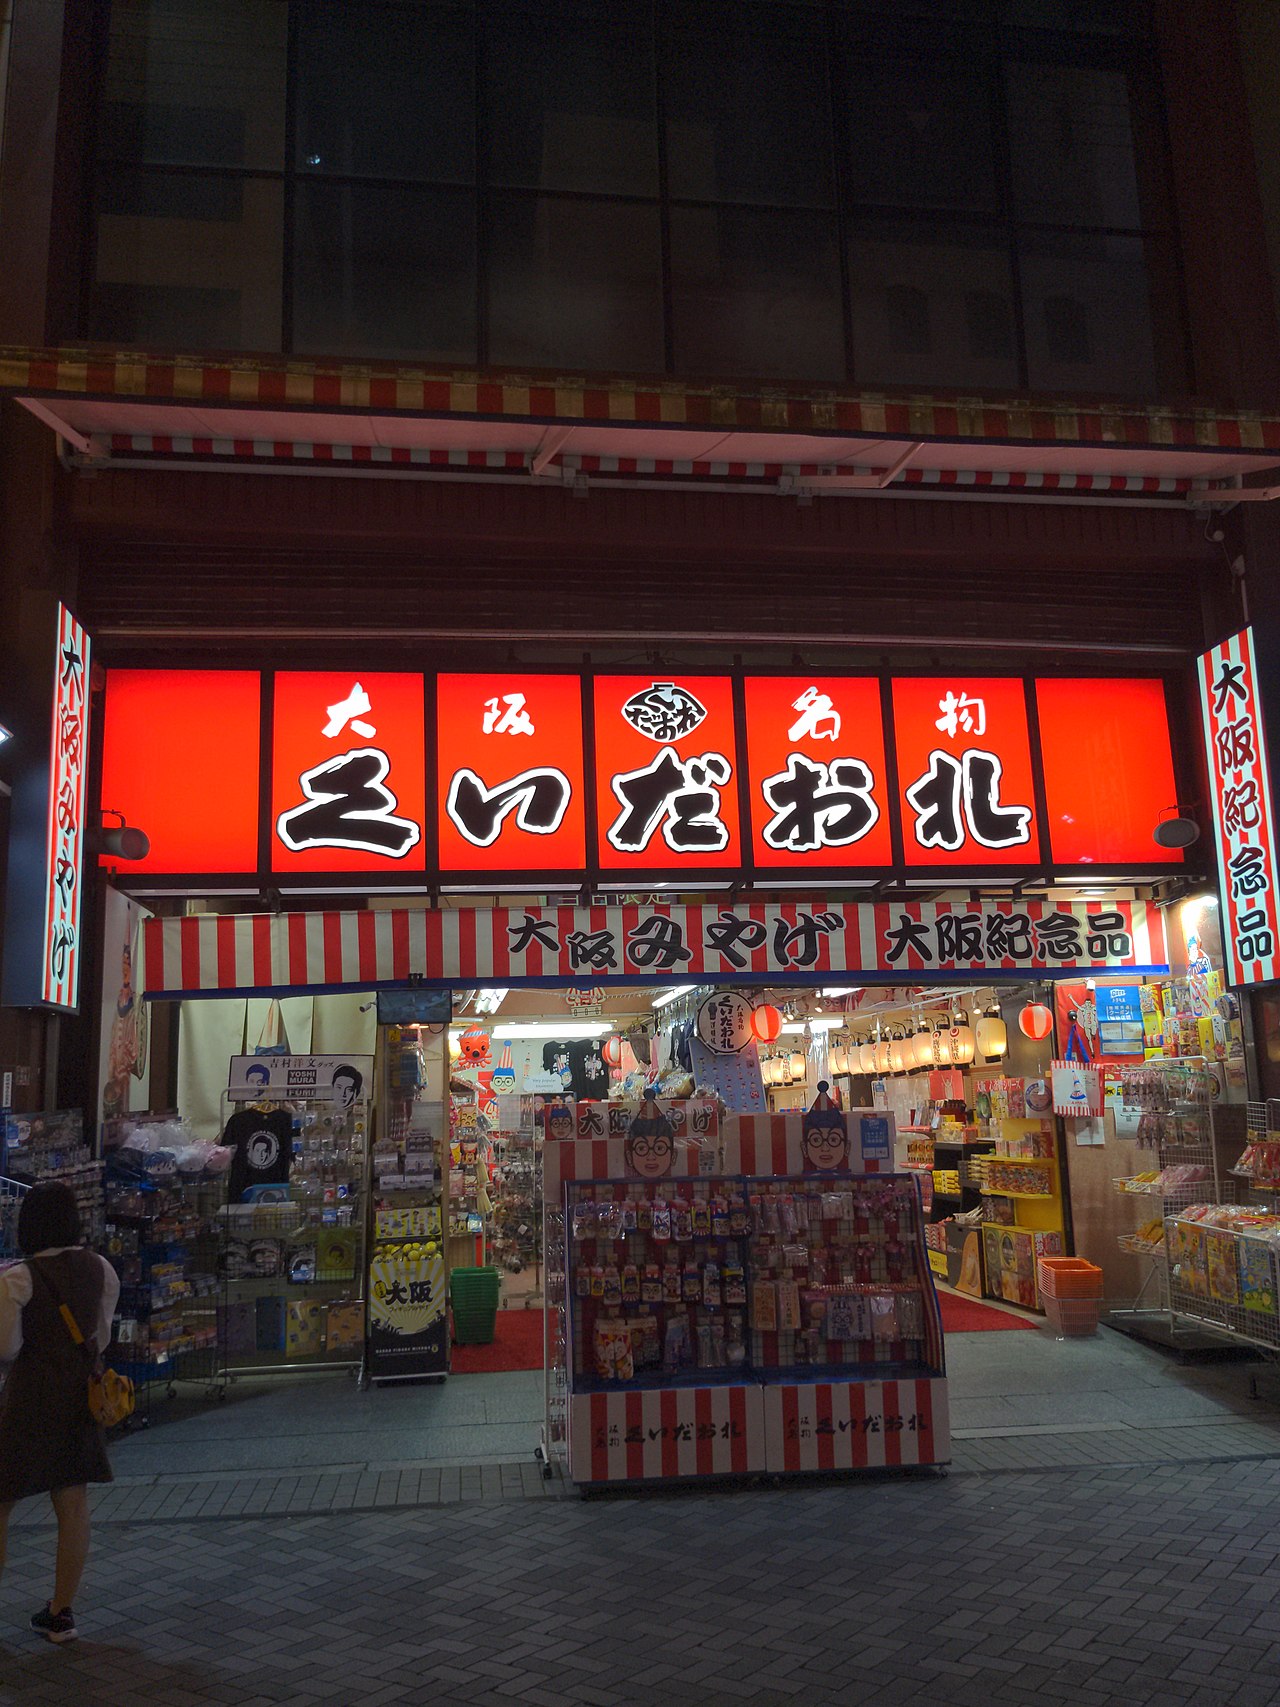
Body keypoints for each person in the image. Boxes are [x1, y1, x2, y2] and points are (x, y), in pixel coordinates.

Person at [0, 1182, 120, 1643]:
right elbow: (101, 1337)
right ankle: (61, 1613)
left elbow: (8, 1347)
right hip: (79, 1398)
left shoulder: (17, 1279)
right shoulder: (101, 1269)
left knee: (1, 1502)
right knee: (72, 1504)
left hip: (29, 1401)